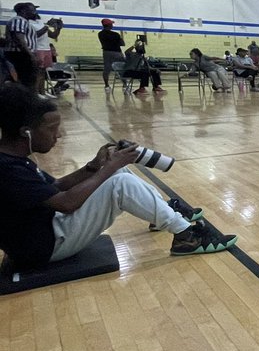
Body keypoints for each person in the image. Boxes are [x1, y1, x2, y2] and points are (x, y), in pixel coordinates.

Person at [0, 85, 236, 268]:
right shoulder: (8, 169)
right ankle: (187, 236)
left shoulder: (12, 158)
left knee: (118, 171)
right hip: (44, 247)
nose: (58, 135)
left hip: (46, 231)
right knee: (120, 182)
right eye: (51, 129)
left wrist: (93, 167)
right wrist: (107, 169)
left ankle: (163, 214)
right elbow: (67, 203)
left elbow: (56, 186)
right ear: (26, 132)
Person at [3, 2, 38, 89]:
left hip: (22, 54)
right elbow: (19, 39)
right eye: (32, 10)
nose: (35, 12)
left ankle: (26, 98)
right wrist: (30, 54)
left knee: (27, 79)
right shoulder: (19, 20)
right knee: (25, 79)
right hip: (19, 54)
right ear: (23, 11)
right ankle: (24, 99)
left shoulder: (24, 22)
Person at [97, 18, 125, 91]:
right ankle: (125, 84)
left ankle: (106, 85)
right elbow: (122, 44)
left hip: (106, 52)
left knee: (107, 69)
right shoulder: (115, 34)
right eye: (111, 24)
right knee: (121, 68)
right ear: (109, 25)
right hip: (117, 52)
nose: (112, 25)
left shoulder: (100, 34)